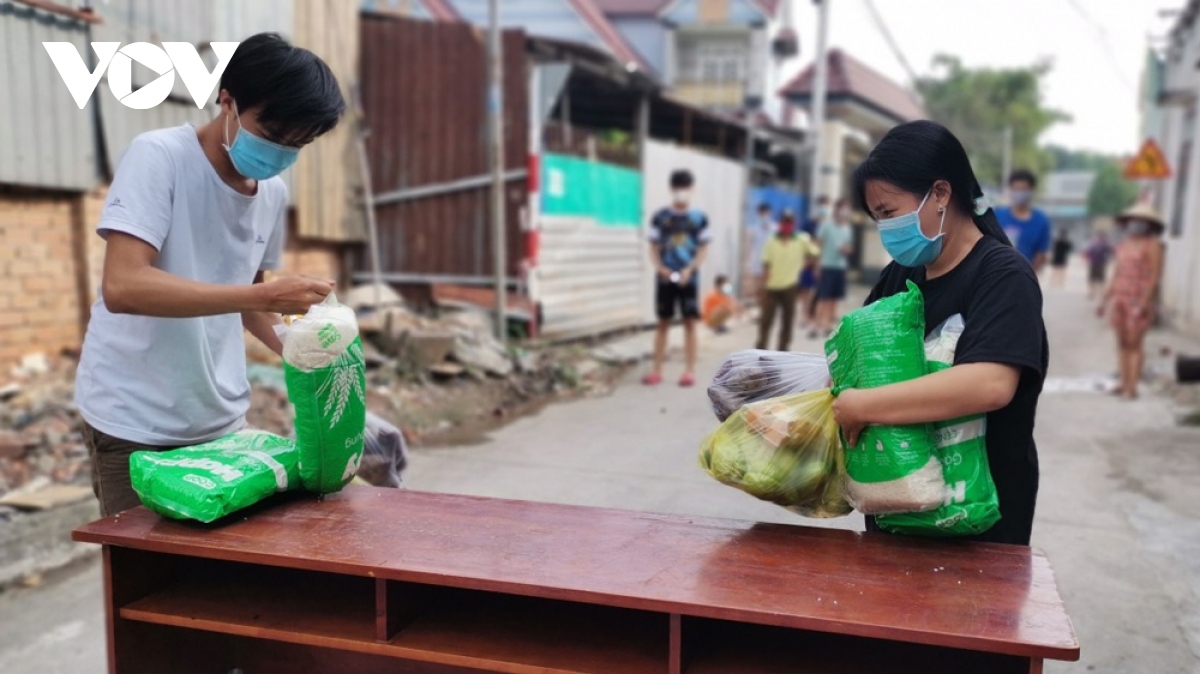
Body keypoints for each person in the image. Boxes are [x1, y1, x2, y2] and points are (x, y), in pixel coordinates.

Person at [75, 33, 346, 516]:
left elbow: (248, 298)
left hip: (221, 421)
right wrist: (261, 296)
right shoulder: (160, 157)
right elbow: (123, 285)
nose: (282, 150)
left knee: (217, 581)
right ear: (227, 100)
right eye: (273, 132)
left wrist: (312, 358)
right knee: (144, 580)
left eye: (298, 143)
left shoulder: (272, 193)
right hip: (135, 420)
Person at [832, 120, 1048, 546]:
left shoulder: (1003, 276)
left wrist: (864, 405)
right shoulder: (900, 276)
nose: (885, 228)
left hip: (980, 527)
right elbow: (856, 362)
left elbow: (990, 384)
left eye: (889, 213)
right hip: (897, 512)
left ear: (941, 194)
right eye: (877, 217)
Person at [646, 169, 711, 387]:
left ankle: (689, 370)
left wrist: (690, 269)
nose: (680, 192)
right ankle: (656, 370)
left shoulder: (699, 218)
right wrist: (660, 267)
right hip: (665, 277)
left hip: (688, 278)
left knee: (689, 323)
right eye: (677, 188)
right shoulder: (660, 217)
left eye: (684, 188)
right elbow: (653, 247)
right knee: (662, 322)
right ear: (671, 189)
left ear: (692, 189)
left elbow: (703, 249)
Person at [1098, 204, 1166, 400]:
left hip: (1138, 299)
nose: (1136, 224)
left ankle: (1132, 387)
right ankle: (1123, 381)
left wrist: (1145, 301)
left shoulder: (1152, 245)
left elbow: (1155, 275)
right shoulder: (1124, 244)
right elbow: (1117, 271)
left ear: (1149, 224)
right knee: (1121, 341)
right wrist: (1106, 298)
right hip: (1120, 297)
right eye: (1134, 220)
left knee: (1135, 343)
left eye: (1142, 221)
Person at [757, 210, 818, 351]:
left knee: (787, 320)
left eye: (789, 222)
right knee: (766, 320)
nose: (787, 225)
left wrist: (807, 264)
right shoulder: (772, 241)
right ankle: (760, 348)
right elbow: (766, 264)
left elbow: (814, 252)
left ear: (793, 224)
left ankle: (783, 349)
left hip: (790, 285)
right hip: (772, 286)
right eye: (785, 222)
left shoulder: (801, 239)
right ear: (780, 223)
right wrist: (763, 285)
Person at [813, 198, 855, 338]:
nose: (845, 212)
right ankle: (818, 323)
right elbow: (818, 244)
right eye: (843, 208)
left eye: (847, 209)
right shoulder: (827, 226)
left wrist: (846, 249)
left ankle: (828, 325)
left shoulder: (847, 228)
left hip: (840, 266)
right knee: (824, 297)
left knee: (834, 298)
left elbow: (849, 247)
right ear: (837, 209)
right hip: (827, 265)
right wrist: (817, 264)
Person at [995, 169, 1052, 273]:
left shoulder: (1041, 221)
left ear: (1031, 190)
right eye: (1016, 189)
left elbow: (1041, 254)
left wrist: (1029, 275)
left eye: (1023, 189)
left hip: (1025, 276)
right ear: (1010, 189)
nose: (1019, 193)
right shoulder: (998, 215)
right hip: (997, 274)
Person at [798, 195, 828, 329]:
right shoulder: (809, 224)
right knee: (806, 290)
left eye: (825, 205)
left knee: (821, 292)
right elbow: (802, 242)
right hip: (809, 262)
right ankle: (805, 315)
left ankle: (817, 317)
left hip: (825, 262)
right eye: (821, 205)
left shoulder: (830, 225)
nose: (823, 209)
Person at [745, 203, 776, 303]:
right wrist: (748, 263)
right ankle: (760, 307)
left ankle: (766, 308)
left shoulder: (775, 229)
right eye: (761, 213)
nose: (764, 216)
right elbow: (749, 246)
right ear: (758, 214)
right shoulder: (753, 229)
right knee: (758, 287)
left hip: (771, 262)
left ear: (770, 213)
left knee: (768, 287)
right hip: (757, 262)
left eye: (766, 213)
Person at [1084, 231, 1114, 300]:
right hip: (1097, 263)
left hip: (1098, 263)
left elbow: (1087, 253)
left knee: (1096, 279)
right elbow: (1088, 253)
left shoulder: (1102, 244)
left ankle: (1095, 292)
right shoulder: (1101, 244)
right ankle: (1093, 292)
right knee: (1096, 279)